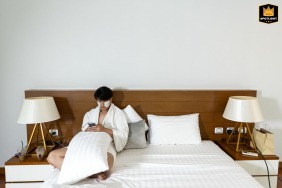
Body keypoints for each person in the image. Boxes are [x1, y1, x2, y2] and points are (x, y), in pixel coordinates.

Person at [47, 86, 129, 180]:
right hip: (87, 141)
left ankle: (80, 170)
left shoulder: (119, 114)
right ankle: (92, 173)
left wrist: (104, 129)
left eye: (105, 101)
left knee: (106, 164)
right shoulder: (90, 114)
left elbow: (123, 134)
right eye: (99, 101)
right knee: (52, 157)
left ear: (111, 99)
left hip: (107, 144)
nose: (101, 104)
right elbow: (83, 130)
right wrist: (86, 130)